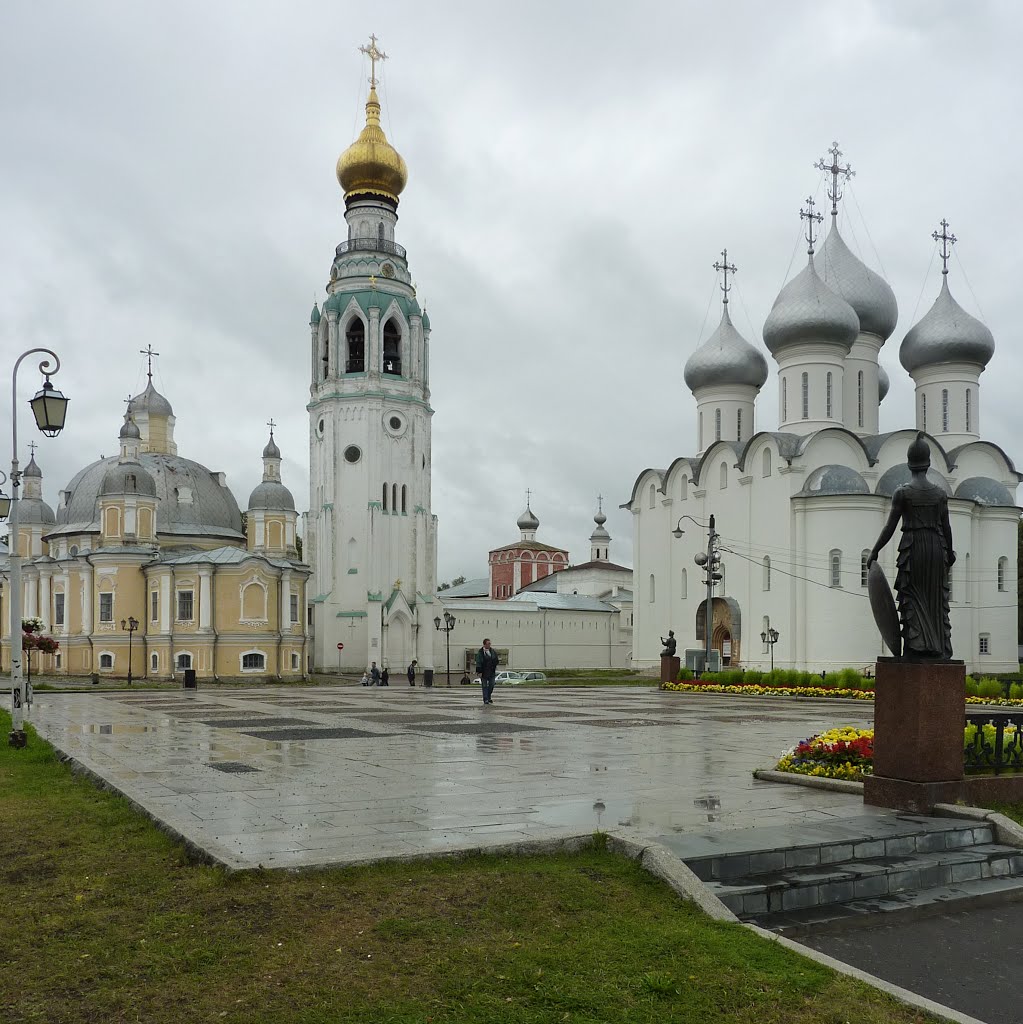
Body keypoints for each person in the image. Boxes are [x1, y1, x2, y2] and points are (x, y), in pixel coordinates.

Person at [868, 432, 955, 660]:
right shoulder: (940, 494)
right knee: (935, 598)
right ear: (927, 464)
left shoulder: (903, 493)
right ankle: (937, 647)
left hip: (914, 548)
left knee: (913, 596)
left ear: (910, 464)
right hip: (936, 549)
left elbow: (890, 527)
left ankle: (916, 647)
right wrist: (950, 553)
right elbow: (947, 528)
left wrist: (875, 550)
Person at [475, 638, 499, 705]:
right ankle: (485, 699)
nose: (489, 645)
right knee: (484, 686)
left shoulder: (492, 651)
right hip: (484, 671)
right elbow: (478, 662)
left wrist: (495, 664)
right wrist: (479, 671)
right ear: (484, 644)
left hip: (491, 671)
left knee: (492, 684)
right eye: (488, 643)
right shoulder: (480, 653)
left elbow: (496, 659)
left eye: (490, 643)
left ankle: (488, 696)